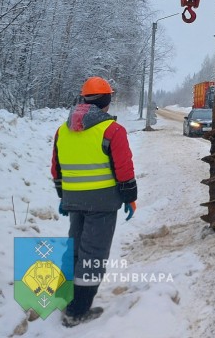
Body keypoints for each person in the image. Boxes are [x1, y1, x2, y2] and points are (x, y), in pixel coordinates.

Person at [51, 77, 137, 328]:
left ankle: (64, 296)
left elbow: (57, 168)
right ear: (107, 101)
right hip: (102, 203)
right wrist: (129, 198)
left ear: (84, 99)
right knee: (93, 255)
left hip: (74, 200)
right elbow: (124, 169)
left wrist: (62, 197)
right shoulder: (112, 130)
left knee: (75, 248)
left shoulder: (63, 130)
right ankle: (77, 311)